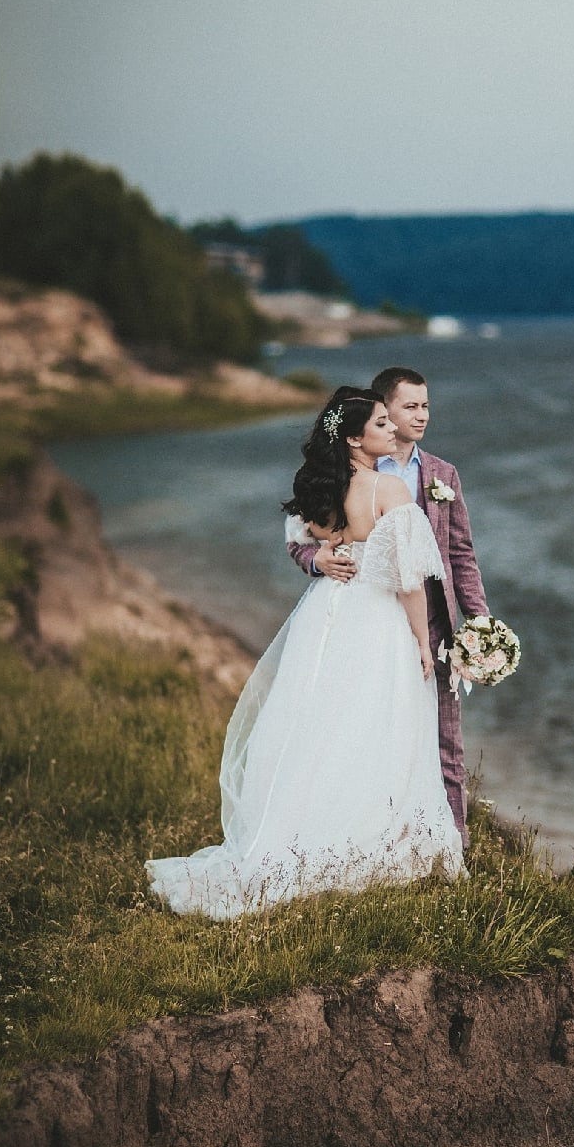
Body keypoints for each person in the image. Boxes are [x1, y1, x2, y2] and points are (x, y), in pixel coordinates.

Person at [145, 387, 463, 918]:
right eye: (381, 423)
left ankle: (296, 829)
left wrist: (321, 557)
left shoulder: (320, 492)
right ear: (355, 439)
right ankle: (367, 837)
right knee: (376, 725)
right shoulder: (388, 490)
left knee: (318, 723)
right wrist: (422, 642)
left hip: (325, 614)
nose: (393, 428)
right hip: (376, 618)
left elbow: (304, 539)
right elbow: (410, 582)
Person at [289, 366, 488, 843]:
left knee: (444, 740)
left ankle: (453, 840)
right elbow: (300, 540)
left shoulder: (442, 474)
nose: (421, 416)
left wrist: (479, 620)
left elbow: (460, 553)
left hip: (433, 624)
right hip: (376, 619)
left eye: (426, 406)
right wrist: (316, 560)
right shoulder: (350, 474)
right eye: (409, 407)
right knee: (367, 730)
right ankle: (387, 838)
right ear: (385, 411)